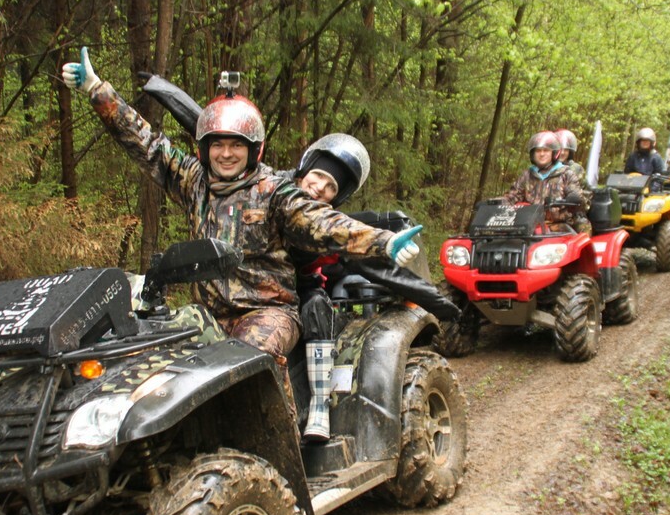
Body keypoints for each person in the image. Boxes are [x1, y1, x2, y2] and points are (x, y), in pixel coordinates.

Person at [60, 48, 422, 364]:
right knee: (150, 351)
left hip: (268, 314)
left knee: (246, 362)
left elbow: (323, 223)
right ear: (205, 148)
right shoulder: (193, 181)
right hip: (206, 315)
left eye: (237, 145)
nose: (226, 153)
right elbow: (147, 145)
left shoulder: (275, 191)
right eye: (217, 144)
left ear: (253, 149)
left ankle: (280, 440)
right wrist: (97, 91)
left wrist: (383, 242)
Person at [284, 133, 459, 441]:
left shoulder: (329, 223)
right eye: (319, 177)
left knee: (316, 306)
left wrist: (439, 304)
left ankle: (320, 406)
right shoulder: (268, 190)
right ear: (305, 169)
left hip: (302, 293)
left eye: (331, 188)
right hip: (254, 291)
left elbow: (369, 259)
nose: (320, 189)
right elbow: (231, 147)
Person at [502, 130, 584, 232]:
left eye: (546, 150)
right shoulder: (527, 175)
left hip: (558, 227)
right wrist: (497, 203)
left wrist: (573, 197)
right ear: (533, 154)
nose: (541, 154)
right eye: (538, 151)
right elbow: (513, 196)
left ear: (554, 153)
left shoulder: (566, 174)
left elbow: (577, 195)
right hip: (528, 227)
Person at [556, 129, 593, 236]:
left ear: (570, 152)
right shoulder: (544, 168)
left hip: (573, 213)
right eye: (560, 149)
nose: (562, 152)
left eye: (566, 150)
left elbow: (575, 192)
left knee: (583, 230)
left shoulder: (575, 169)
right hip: (546, 213)